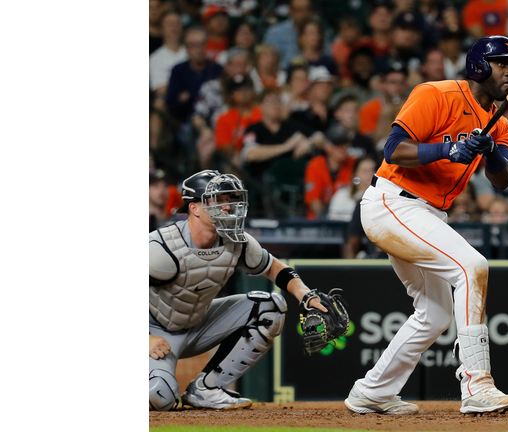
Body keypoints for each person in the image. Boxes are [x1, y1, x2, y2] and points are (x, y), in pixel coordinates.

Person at [344, 35, 508, 415]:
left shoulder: (501, 125)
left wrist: (490, 150)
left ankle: (372, 391)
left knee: (435, 313)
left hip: (426, 213)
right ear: (478, 65)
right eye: (501, 62)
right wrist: (447, 149)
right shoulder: (436, 94)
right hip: (393, 201)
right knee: (472, 266)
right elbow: (394, 149)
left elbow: (503, 179)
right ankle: (477, 383)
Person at [149, 170, 331, 411]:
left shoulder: (237, 241)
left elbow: (275, 268)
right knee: (159, 396)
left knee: (271, 306)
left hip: (198, 324)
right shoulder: (162, 247)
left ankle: (207, 389)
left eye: (229, 200)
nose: (227, 207)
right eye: (217, 200)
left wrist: (306, 294)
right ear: (194, 208)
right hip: (156, 332)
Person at [165, 28, 224, 125]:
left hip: (215, 118)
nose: (198, 50)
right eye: (193, 46)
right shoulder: (178, 71)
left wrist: (187, 96)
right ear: (186, 48)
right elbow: (171, 104)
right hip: (186, 122)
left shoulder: (217, 70)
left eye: (202, 44)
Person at [303, 126, 357, 220]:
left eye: (345, 144)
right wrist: (328, 221)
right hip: (318, 222)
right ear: (327, 146)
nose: (342, 148)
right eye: (337, 144)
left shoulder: (354, 164)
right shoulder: (315, 165)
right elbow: (314, 201)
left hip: (346, 220)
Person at [358, 62, 409, 146]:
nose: (398, 87)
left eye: (401, 83)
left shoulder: (413, 107)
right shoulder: (368, 108)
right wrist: (385, 117)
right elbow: (369, 143)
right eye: (393, 82)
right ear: (382, 84)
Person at [263, 0, 318, 70]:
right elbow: (266, 60)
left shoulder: (318, 31)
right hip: (282, 76)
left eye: (305, 10)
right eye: (298, 10)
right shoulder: (276, 32)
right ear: (291, 11)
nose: (302, 14)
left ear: (311, 12)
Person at [327, 155, 377, 221]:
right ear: (356, 173)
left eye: (373, 170)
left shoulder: (383, 197)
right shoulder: (342, 195)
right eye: (365, 171)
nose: (370, 174)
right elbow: (333, 220)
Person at [150, 12, 188, 97]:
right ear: (162, 29)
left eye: (178, 23)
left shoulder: (192, 51)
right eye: (170, 24)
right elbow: (160, 89)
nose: (174, 28)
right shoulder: (155, 58)